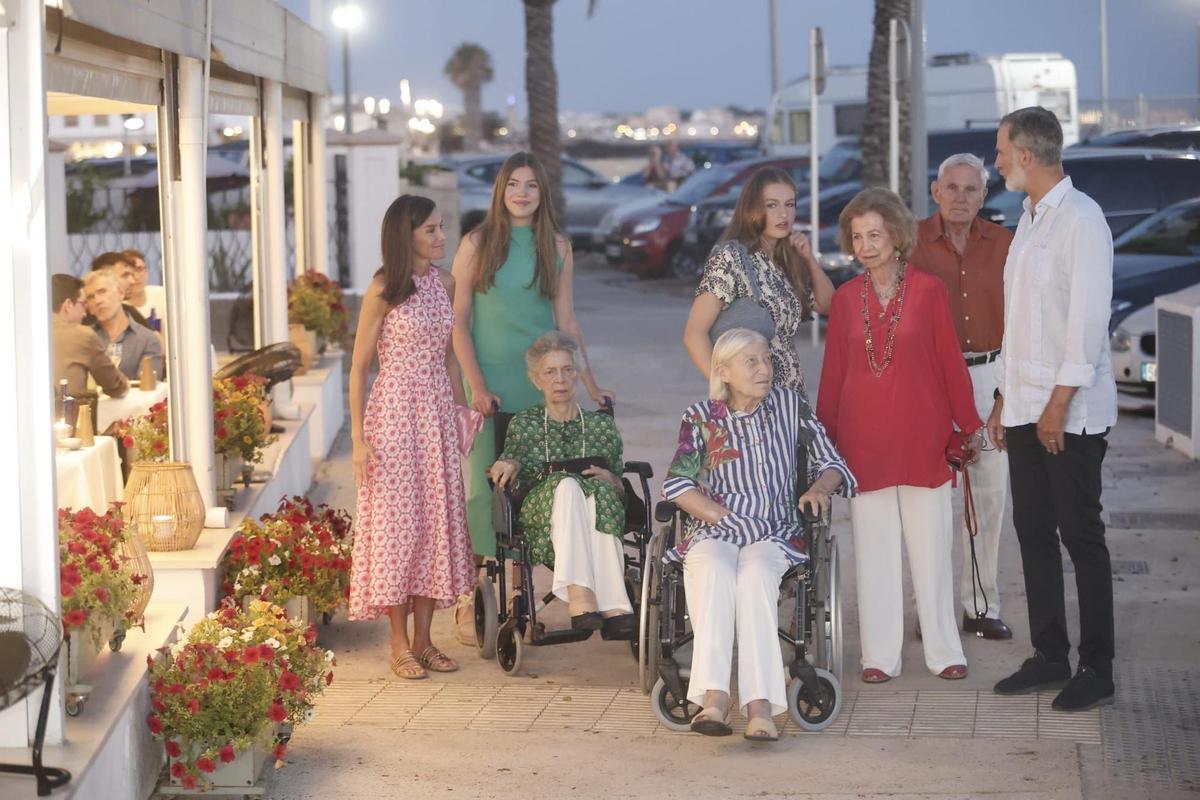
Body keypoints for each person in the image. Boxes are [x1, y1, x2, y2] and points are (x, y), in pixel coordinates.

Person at [816, 187, 982, 684]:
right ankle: (879, 656)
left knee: (931, 548)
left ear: (896, 236)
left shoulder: (930, 291)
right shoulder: (845, 300)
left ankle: (943, 649)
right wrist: (824, 441)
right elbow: (833, 377)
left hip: (922, 437)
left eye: (875, 234)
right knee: (874, 551)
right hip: (863, 444)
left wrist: (968, 425)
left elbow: (950, 363)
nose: (865, 245)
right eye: (857, 236)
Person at [450, 151, 614, 641]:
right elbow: (458, 321)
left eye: (531, 186)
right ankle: (475, 592)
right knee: (485, 489)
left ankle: (521, 594)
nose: (521, 193)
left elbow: (567, 320)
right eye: (513, 184)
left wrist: (589, 383)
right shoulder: (477, 243)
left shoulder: (558, 246)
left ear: (543, 194)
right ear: (501, 191)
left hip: (544, 382)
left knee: (536, 485)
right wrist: (475, 384)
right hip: (491, 385)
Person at [988, 107, 1118, 712]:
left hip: (1070, 414)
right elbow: (1023, 326)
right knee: (1033, 533)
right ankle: (1048, 655)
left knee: (1080, 536)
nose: (996, 162)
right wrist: (1002, 401)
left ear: (1028, 156)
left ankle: (1097, 666)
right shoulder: (1030, 218)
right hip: (1023, 407)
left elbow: (1088, 324)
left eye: (1000, 152)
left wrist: (1057, 405)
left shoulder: (1082, 219)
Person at [664, 328, 854, 741]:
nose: (765, 368)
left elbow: (833, 463)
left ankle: (759, 705)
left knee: (754, 578)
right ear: (723, 370)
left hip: (774, 530)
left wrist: (820, 488)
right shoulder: (701, 417)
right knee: (712, 567)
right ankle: (714, 698)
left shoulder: (791, 405)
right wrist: (717, 514)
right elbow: (678, 484)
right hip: (717, 528)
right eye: (752, 361)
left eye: (767, 359)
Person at [348, 195, 476, 680]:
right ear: (407, 237)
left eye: (441, 228)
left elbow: (447, 356)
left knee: (434, 527)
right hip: (394, 417)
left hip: (436, 416)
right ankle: (398, 643)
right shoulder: (384, 288)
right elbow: (360, 368)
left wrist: (461, 410)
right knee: (396, 531)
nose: (441, 237)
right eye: (431, 230)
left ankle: (425, 642)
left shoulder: (445, 283)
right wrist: (360, 441)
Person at [912, 153, 1016, 640]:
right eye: (950, 188)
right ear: (936, 192)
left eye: (970, 189)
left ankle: (981, 606)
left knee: (989, 497)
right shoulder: (909, 243)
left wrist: (1003, 395)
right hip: (930, 380)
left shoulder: (1007, 244)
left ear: (984, 196)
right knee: (929, 502)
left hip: (991, 374)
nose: (959, 197)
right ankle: (931, 615)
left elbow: (1022, 323)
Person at [488, 332, 634, 639]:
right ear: (536, 380)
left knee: (599, 493)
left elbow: (621, 483)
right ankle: (581, 596)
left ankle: (614, 606)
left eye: (568, 370)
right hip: (545, 518)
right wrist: (509, 464)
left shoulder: (601, 425)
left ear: (577, 375)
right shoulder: (525, 424)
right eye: (550, 372)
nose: (560, 379)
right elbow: (511, 459)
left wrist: (612, 480)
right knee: (567, 485)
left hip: (599, 511)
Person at [684, 166, 835, 398]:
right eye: (772, 205)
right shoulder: (732, 257)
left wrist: (809, 260)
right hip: (748, 400)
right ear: (752, 208)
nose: (783, 214)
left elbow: (828, 305)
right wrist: (727, 393)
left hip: (790, 397)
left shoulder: (787, 261)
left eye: (790, 204)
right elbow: (694, 335)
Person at [50, 273, 129, 398]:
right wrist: (125, 384)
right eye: (83, 304)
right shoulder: (82, 335)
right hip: (69, 414)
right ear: (68, 305)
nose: (85, 314)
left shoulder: (22, 332)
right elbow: (115, 386)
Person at [84, 270, 162, 380]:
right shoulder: (84, 339)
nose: (97, 301)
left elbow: (150, 389)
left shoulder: (147, 340)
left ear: (120, 293)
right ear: (88, 308)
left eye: (102, 291)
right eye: (91, 297)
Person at [90, 252, 148, 327]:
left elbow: (155, 337)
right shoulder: (83, 319)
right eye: (125, 275)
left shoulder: (128, 311)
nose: (132, 281)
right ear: (104, 278)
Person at [122, 248, 166, 329]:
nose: (136, 277)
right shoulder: (119, 307)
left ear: (146, 271)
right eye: (129, 272)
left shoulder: (163, 295)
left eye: (139, 269)